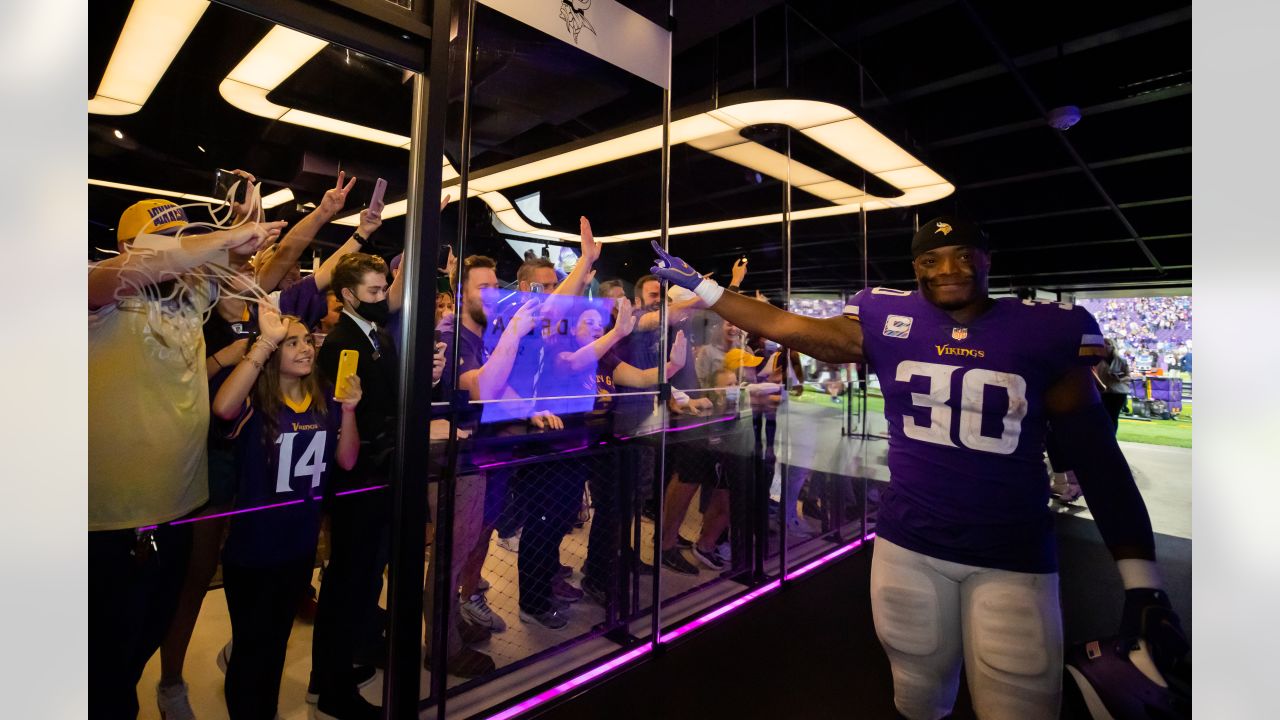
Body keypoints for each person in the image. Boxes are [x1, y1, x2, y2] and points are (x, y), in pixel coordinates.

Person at [649, 217, 1189, 719]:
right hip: (910, 544)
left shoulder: (1045, 330)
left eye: (961, 255)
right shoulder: (886, 317)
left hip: (1012, 553)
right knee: (917, 696)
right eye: (932, 259)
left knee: (1020, 702)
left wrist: (1143, 583)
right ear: (915, 268)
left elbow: (1098, 460)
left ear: (986, 260)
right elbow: (786, 325)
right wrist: (706, 289)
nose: (948, 270)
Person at [89, 197, 284, 719]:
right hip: (106, 523)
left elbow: (265, 271)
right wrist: (217, 239)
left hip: (177, 508)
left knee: (143, 638)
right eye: (167, 244)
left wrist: (247, 237)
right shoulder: (97, 292)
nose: (180, 254)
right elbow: (122, 274)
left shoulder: (191, 298)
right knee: (101, 664)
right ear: (131, 247)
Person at [210, 305, 362, 720]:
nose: (305, 348)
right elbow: (222, 409)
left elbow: (347, 461)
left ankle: (266, 709)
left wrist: (348, 411)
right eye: (291, 342)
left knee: (276, 642)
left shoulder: (325, 399)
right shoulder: (257, 402)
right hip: (253, 549)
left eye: (306, 340)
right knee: (252, 644)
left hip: (299, 546)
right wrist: (263, 343)